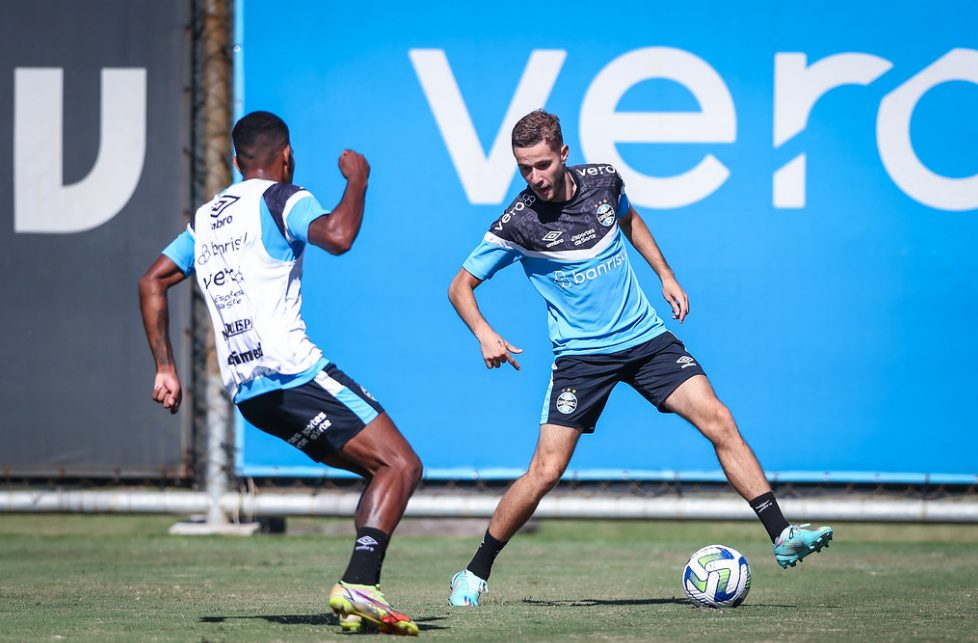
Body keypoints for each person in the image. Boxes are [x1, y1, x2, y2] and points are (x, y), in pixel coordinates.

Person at [446, 109, 832, 606]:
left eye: (542, 164)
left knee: (719, 418)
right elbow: (460, 286)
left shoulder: (603, 181)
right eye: (524, 168)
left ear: (564, 154)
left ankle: (782, 537)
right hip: (582, 359)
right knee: (545, 471)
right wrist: (483, 332)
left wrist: (665, 274)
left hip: (646, 339)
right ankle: (475, 572)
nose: (535, 178)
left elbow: (630, 220)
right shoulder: (519, 222)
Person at [138, 111, 421, 636]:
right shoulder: (282, 198)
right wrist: (358, 178)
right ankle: (360, 584)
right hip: (294, 373)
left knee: (382, 471)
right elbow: (337, 236)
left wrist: (165, 367)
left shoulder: (206, 218)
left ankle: (362, 589)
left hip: (251, 395)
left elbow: (151, 281)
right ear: (285, 155)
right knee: (402, 465)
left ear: (234, 161)